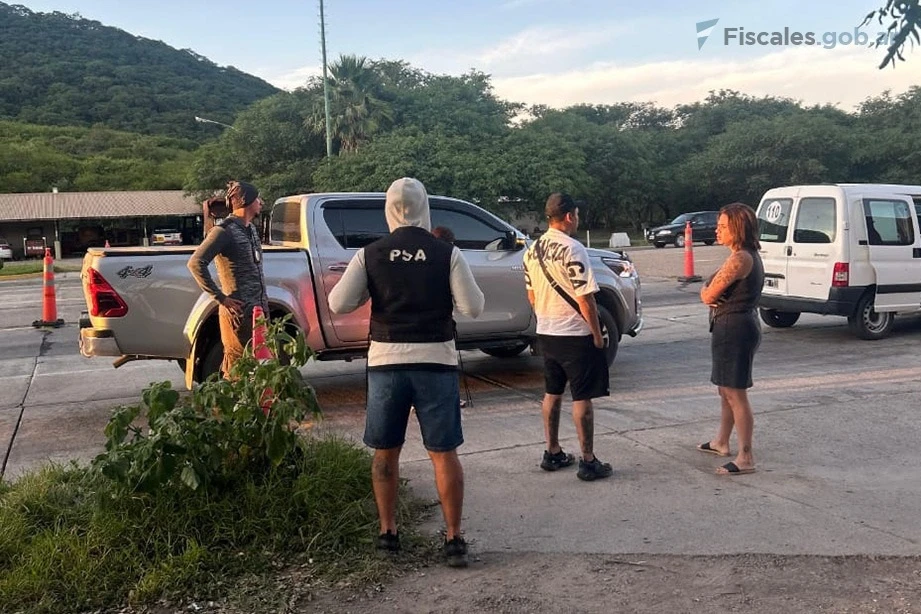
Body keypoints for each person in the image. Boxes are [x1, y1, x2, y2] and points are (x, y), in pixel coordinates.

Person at [328, 177, 485, 567]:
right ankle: (453, 539)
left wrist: (372, 290)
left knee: (386, 451)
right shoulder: (446, 252)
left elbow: (338, 303)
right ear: (424, 207)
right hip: (436, 361)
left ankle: (388, 533)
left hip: (386, 363)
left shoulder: (371, 254)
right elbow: (474, 307)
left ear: (388, 210)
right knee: (443, 453)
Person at [523, 192, 613, 482]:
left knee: (552, 392)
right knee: (582, 396)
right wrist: (597, 335)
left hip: (547, 331)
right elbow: (585, 298)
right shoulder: (574, 249)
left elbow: (531, 295)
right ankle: (588, 460)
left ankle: (552, 452)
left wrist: (546, 317)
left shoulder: (532, 251)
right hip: (575, 332)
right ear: (570, 216)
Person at [697, 202, 764, 475]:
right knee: (725, 389)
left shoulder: (740, 259)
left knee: (735, 392)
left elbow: (708, 295)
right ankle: (721, 441)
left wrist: (706, 290)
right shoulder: (740, 255)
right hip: (732, 325)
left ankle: (745, 456)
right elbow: (710, 288)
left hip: (734, 328)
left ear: (738, 228)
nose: (717, 230)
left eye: (723, 226)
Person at [187, 180, 268, 377]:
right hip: (239, 314)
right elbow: (196, 263)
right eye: (257, 198)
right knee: (238, 368)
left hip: (257, 313)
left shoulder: (250, 230)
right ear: (246, 201)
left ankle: (256, 406)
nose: (261, 202)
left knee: (260, 366)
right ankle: (233, 407)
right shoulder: (224, 231)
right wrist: (221, 298)